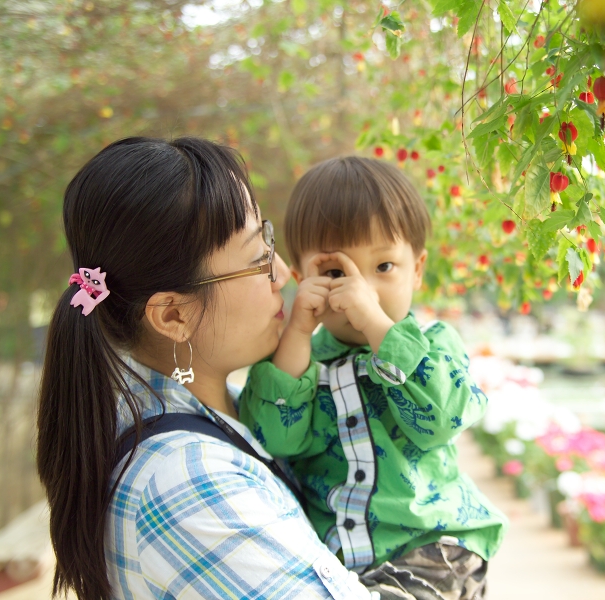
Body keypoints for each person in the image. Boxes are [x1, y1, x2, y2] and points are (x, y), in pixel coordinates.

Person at [35, 137, 375, 599]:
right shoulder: (183, 481)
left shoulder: (222, 418)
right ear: (173, 316)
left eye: (268, 241)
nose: (282, 273)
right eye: (257, 258)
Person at [239, 157, 508, 600]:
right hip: (339, 563)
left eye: (383, 267)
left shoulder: (434, 343)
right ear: (302, 276)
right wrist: (298, 332)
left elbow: (442, 417)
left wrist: (376, 324)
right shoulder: (298, 361)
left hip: (432, 550)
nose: (359, 289)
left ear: (417, 269)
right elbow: (276, 440)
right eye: (335, 272)